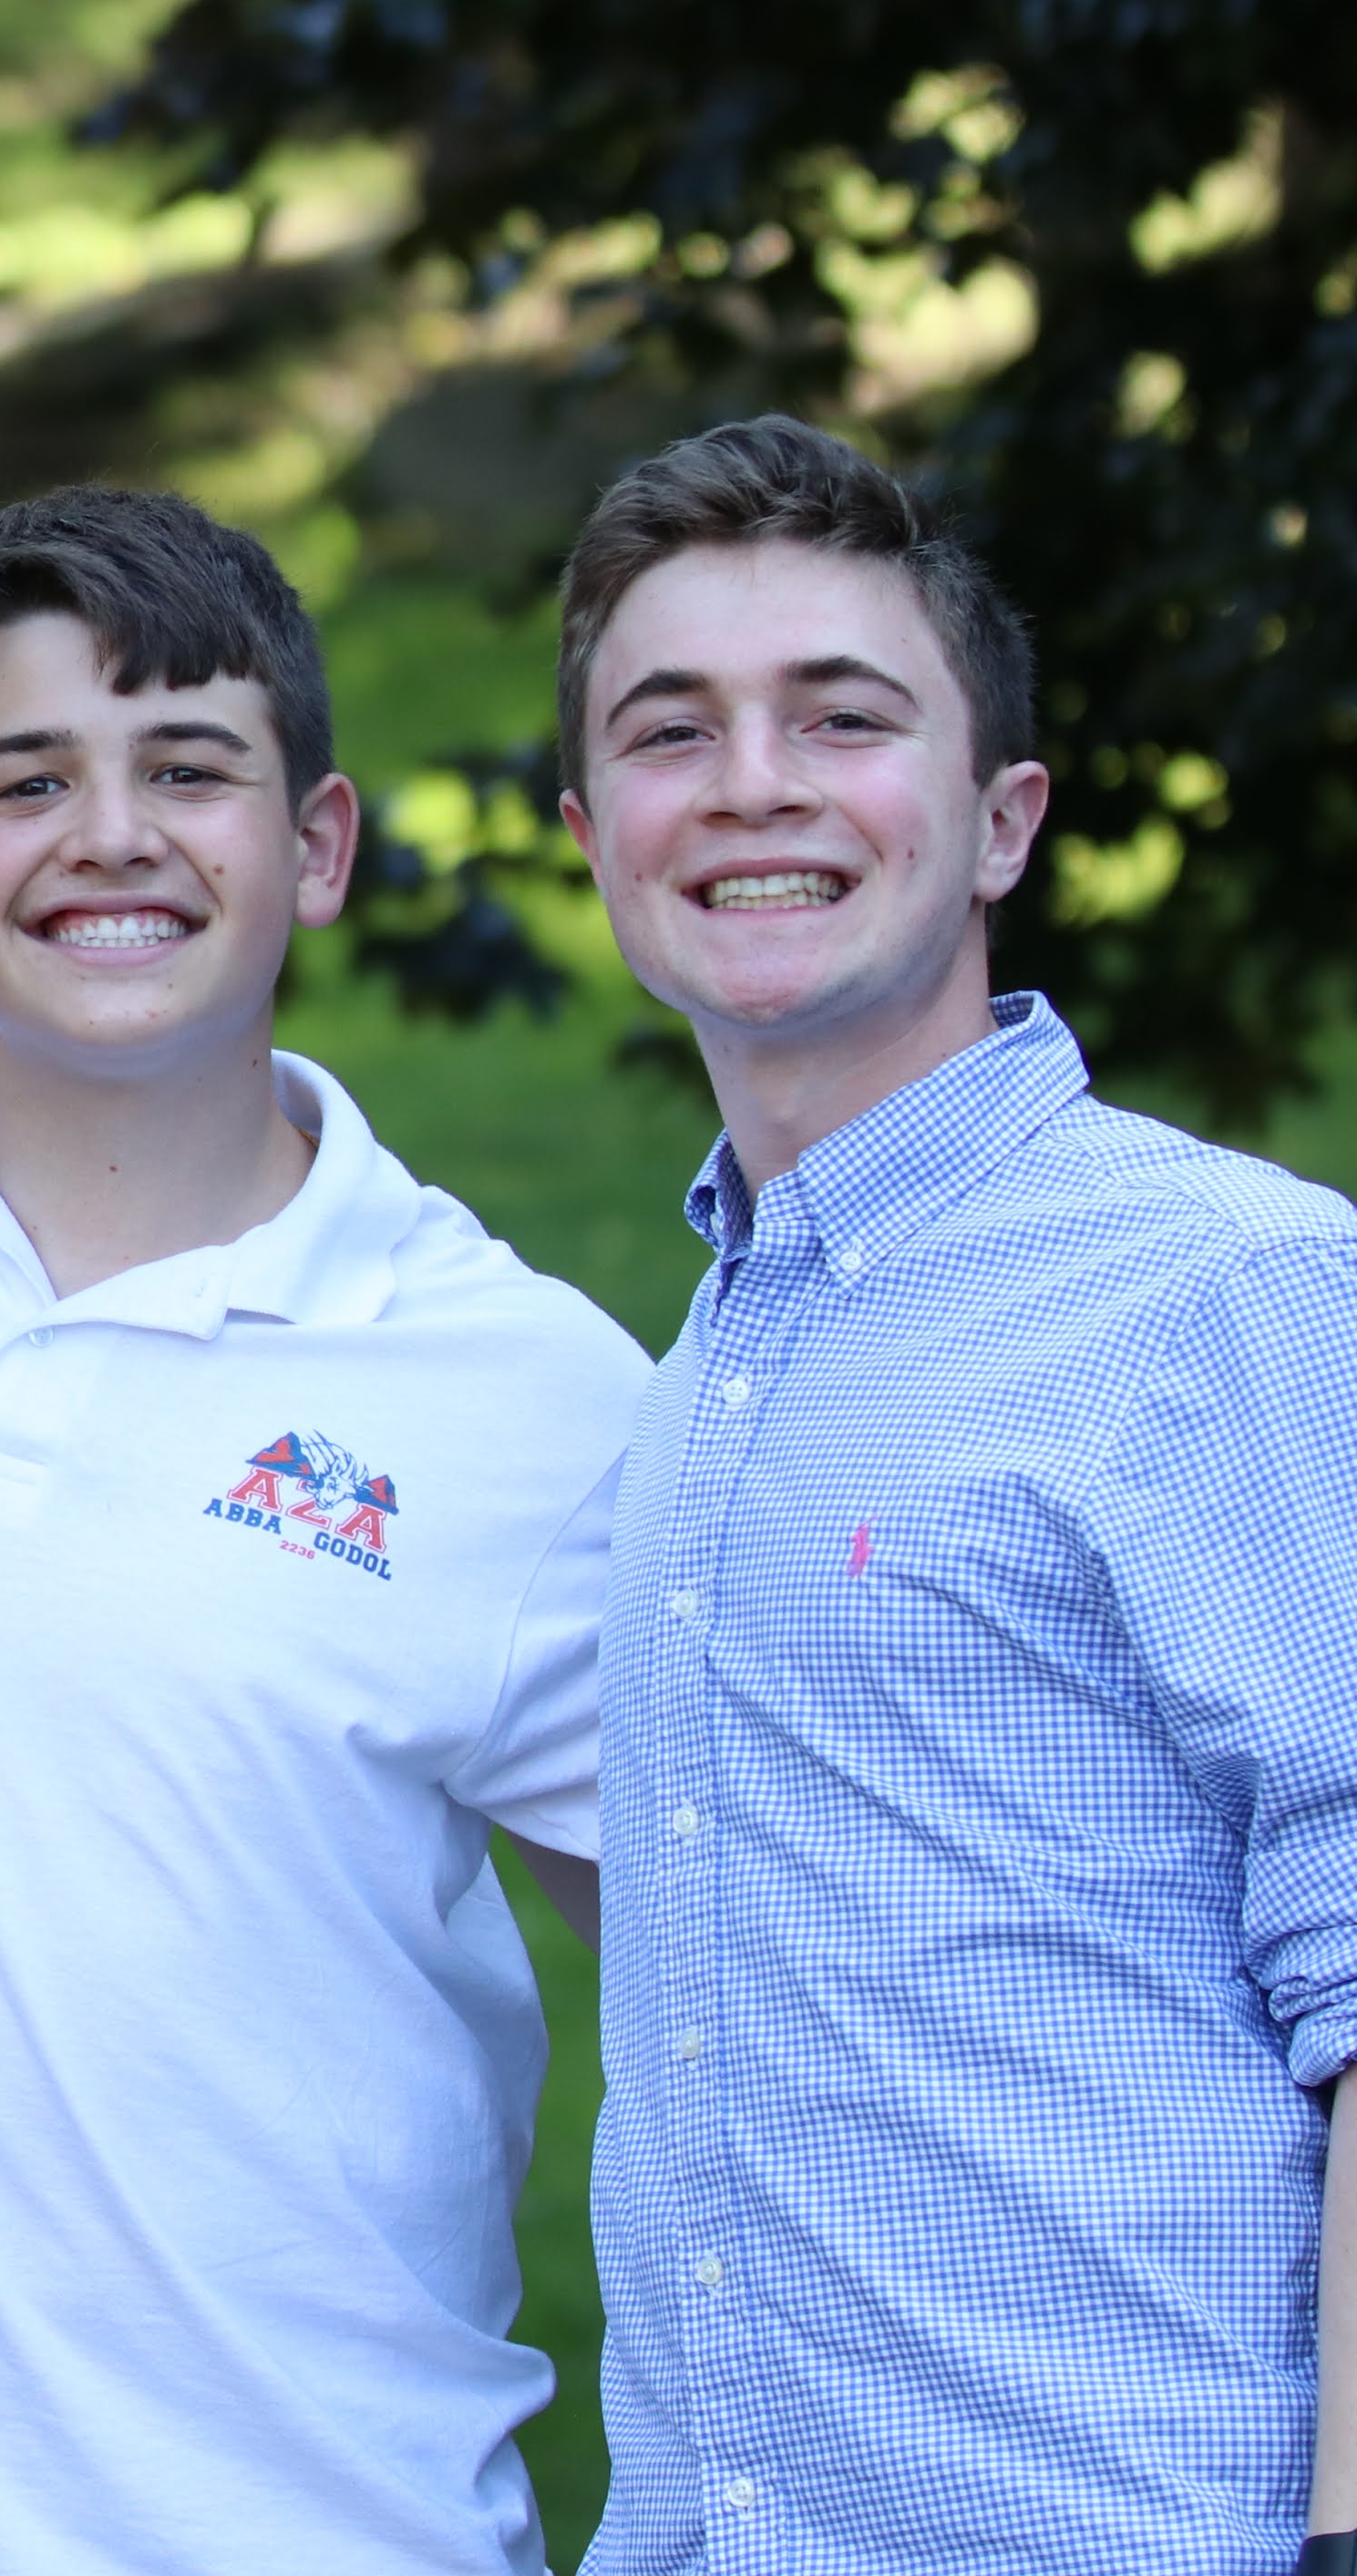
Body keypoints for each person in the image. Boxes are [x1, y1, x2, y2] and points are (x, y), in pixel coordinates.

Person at [0, 485, 646, 2574]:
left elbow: (755, 1984)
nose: (110, 836)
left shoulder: (533, 1402)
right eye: (26, 781)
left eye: (190, 768)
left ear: (320, 845)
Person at [551, 416, 1357, 2576]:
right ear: (591, 832)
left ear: (999, 819)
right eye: (669, 730)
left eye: (841, 716)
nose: (751, 783)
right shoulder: (704, 1367)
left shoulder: (1231, 1294)